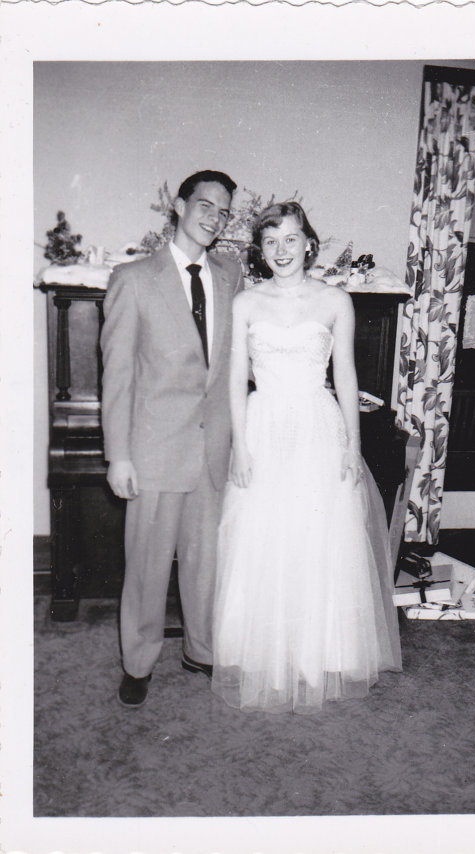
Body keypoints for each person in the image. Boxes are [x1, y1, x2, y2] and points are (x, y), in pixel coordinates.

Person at [211, 201, 402, 714]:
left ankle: (318, 651)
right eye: (271, 242)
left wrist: (353, 444)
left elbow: (345, 377)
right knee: (265, 537)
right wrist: (240, 446)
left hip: (319, 426)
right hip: (264, 425)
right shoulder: (246, 303)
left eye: (291, 240)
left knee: (318, 538)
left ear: (308, 243)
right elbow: (234, 380)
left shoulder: (335, 300)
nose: (282, 251)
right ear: (261, 249)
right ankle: (263, 652)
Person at [101, 169, 244, 708]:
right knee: (146, 567)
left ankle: (201, 650)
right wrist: (119, 456)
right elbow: (118, 375)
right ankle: (138, 662)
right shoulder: (135, 278)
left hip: (213, 449)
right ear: (180, 206)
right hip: (155, 450)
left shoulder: (231, 276)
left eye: (224, 211)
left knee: (207, 563)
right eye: (206, 205)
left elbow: (234, 366)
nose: (214, 217)